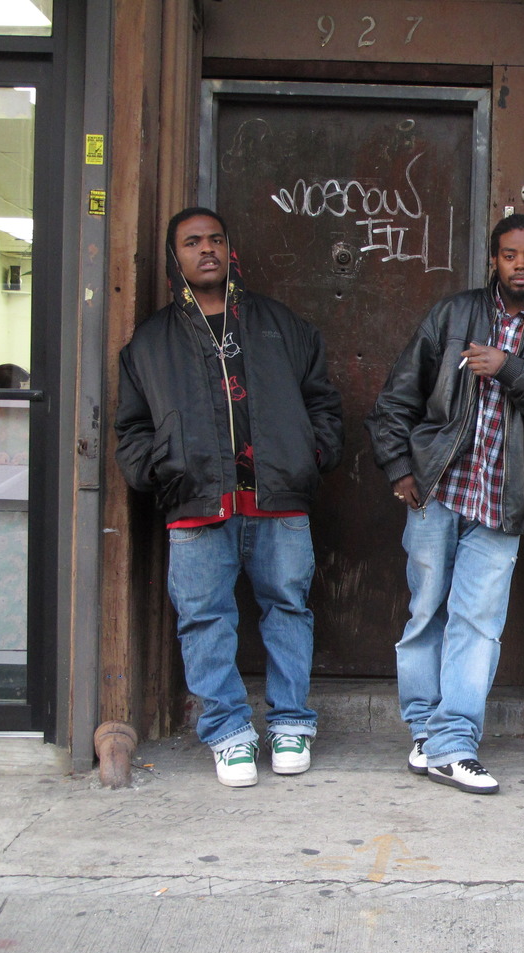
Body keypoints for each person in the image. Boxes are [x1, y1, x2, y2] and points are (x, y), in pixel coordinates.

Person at [114, 207, 343, 787]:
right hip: (196, 506)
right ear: (177, 258)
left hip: (279, 504)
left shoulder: (279, 324)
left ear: (230, 249)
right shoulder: (150, 342)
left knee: (288, 611)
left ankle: (291, 723)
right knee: (203, 620)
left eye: (216, 238)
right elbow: (131, 430)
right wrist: (160, 472)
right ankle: (229, 733)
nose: (206, 250)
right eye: (192, 242)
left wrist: (307, 457)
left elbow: (323, 404)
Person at [365, 214, 524, 794]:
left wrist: (509, 367)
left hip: (500, 501)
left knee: (478, 624)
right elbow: (398, 395)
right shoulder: (454, 314)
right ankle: (426, 732)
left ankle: (453, 741)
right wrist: (398, 469)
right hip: (436, 491)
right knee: (425, 615)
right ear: (494, 259)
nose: (521, 265)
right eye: (510, 255)